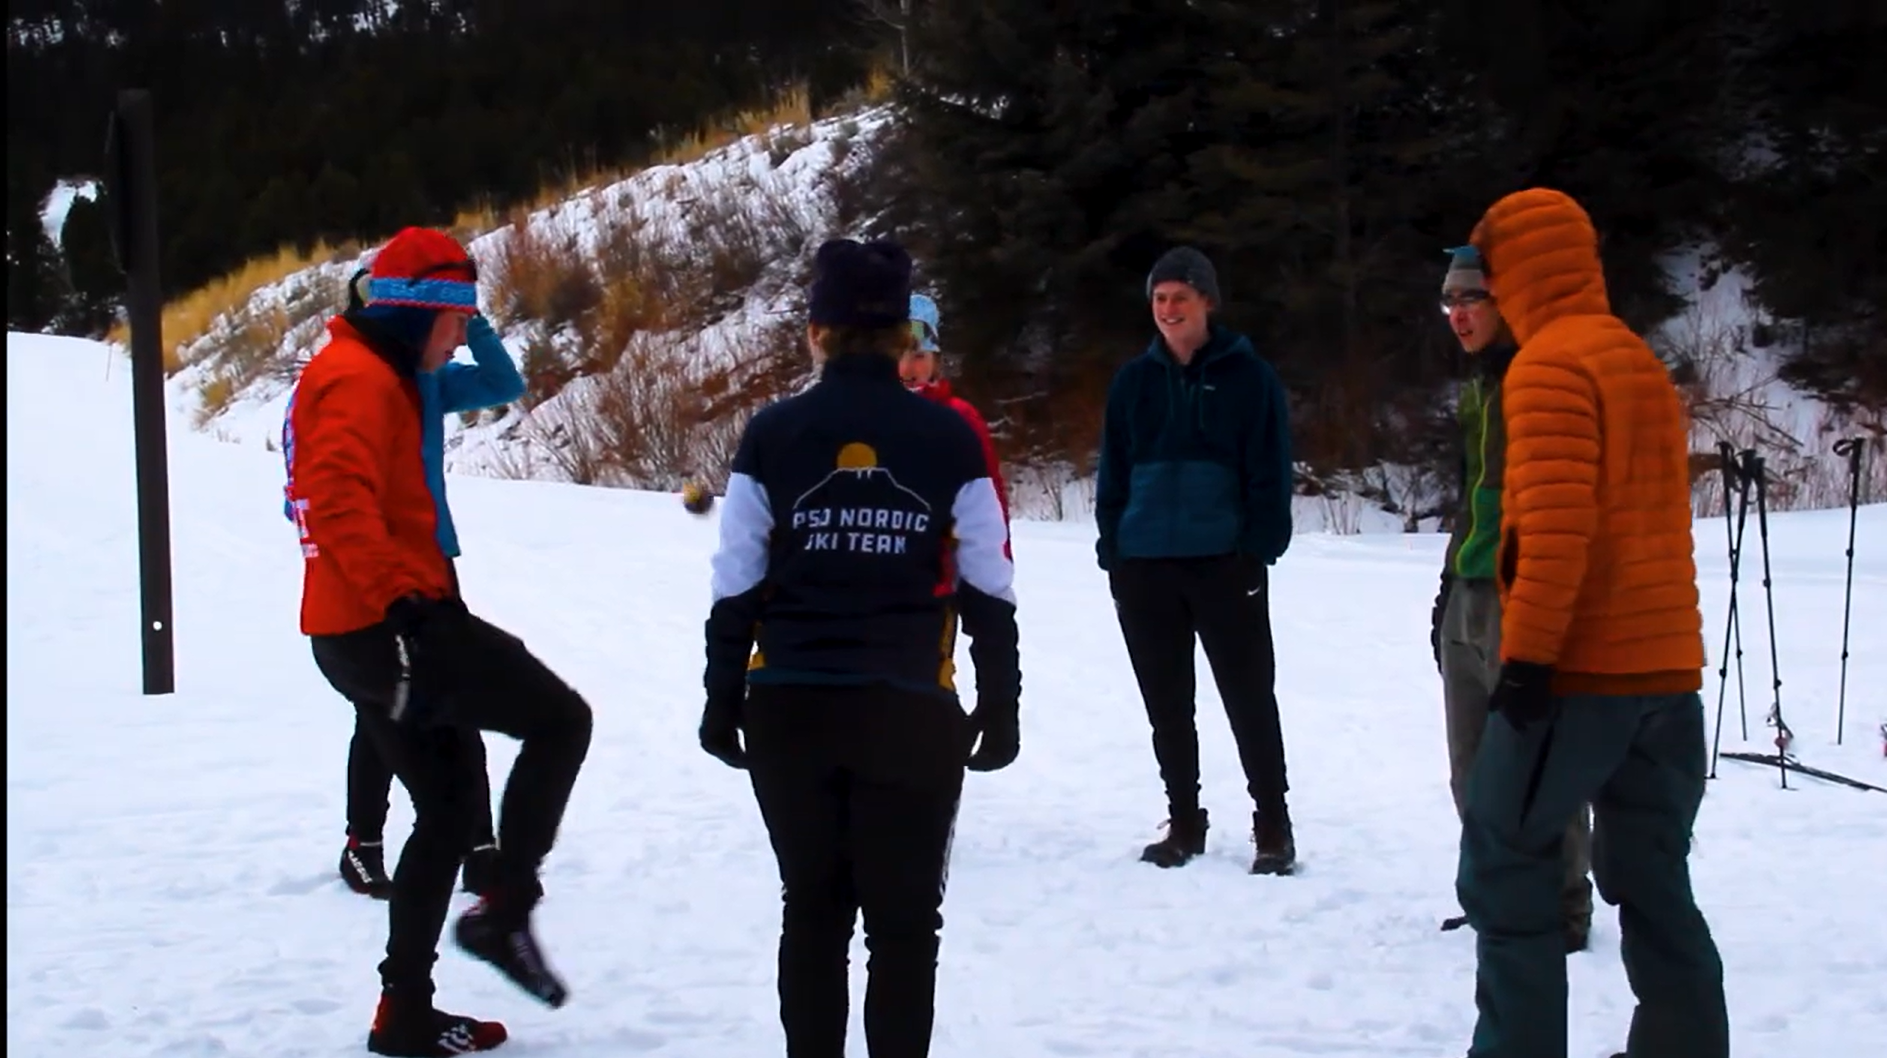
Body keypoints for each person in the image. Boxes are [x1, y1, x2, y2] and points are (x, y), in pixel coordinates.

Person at [698, 238, 1021, 1058]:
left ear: (815, 331)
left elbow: (736, 578)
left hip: (790, 704)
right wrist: (1003, 700)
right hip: (909, 706)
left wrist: (719, 694)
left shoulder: (772, 433)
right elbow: (988, 582)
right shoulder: (949, 438)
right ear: (901, 339)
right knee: (905, 927)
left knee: (811, 911)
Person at [285, 226, 594, 1056]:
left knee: (451, 811)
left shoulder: (379, 369)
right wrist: (409, 610)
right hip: (389, 625)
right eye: (459, 319)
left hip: (369, 624)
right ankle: (501, 911)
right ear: (425, 314)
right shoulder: (357, 379)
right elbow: (332, 498)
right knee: (561, 720)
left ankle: (405, 1012)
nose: (464, 335)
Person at [1452, 189, 1726, 1058]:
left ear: (1513, 272)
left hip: (1580, 674)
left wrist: (1525, 667)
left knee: (1503, 861)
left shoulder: (1547, 367)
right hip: (1667, 674)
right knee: (1651, 877)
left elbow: (1555, 533)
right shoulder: (1635, 359)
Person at [301, 266, 525, 901]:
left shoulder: (427, 381)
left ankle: (477, 844)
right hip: (370, 568)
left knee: (449, 696)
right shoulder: (354, 382)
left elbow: (504, 382)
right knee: (378, 708)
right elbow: (318, 483)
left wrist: (469, 320)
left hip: (432, 558)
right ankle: (364, 843)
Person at [1094, 246, 1297, 875]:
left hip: (1223, 563)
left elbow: (1269, 468)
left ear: (1208, 300)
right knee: (1167, 702)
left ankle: (1273, 826)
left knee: (1248, 696)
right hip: (1146, 564)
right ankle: (1184, 821)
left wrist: (1258, 548)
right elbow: (1114, 471)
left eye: (1181, 296)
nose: (1169, 309)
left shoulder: (1249, 377)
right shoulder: (1133, 382)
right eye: (1159, 298)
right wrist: (1115, 549)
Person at [1429, 245, 1594, 951]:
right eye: (1448, 302)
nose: (1457, 315)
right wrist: (1444, 589)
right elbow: (1471, 500)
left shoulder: (1539, 379)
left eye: (1470, 300)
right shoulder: (1473, 389)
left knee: (1536, 758)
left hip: (1516, 595)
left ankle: (1562, 910)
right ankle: (1496, 891)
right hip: (1466, 590)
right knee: (1470, 765)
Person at [900, 293, 1012, 534]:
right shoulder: (867, 413)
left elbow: (992, 510)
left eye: (919, 356)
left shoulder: (960, 417)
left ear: (936, 361)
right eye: (898, 356)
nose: (906, 368)